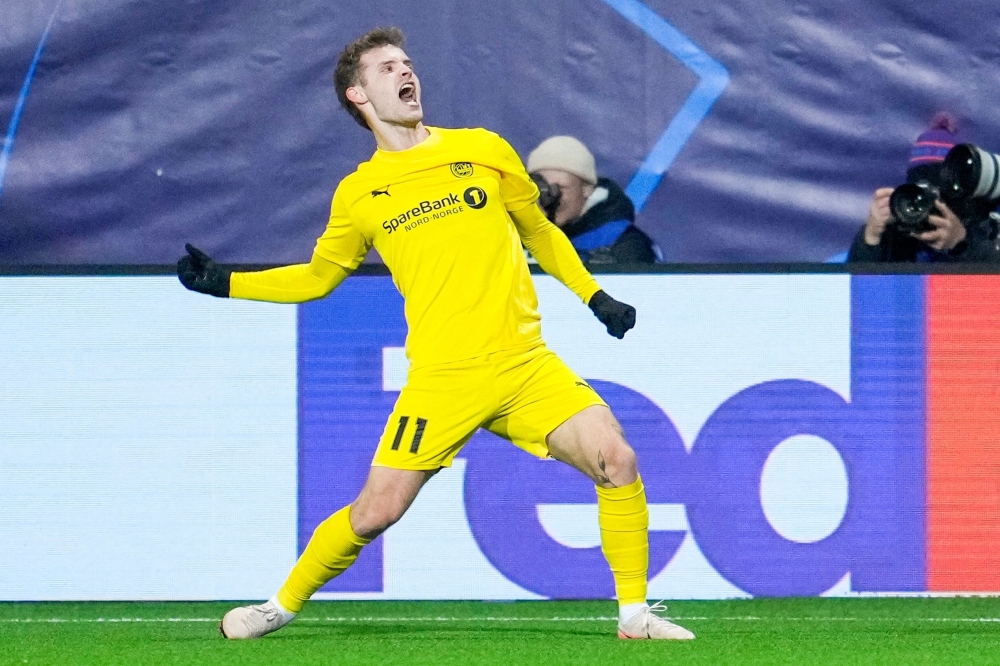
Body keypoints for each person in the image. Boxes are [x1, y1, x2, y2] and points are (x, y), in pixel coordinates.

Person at [177, 27, 694, 641]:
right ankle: (279, 607)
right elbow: (317, 279)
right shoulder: (360, 193)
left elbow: (540, 231)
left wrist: (595, 296)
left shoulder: (482, 149)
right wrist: (226, 282)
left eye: (408, 63)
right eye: (387, 67)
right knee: (376, 513)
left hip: (525, 364)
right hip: (444, 379)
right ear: (359, 95)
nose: (406, 73)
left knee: (618, 459)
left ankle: (634, 616)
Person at [848, 114, 1000, 262]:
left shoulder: (986, 229)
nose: (932, 202)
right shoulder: (898, 230)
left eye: (941, 194)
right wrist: (871, 239)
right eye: (920, 190)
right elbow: (857, 285)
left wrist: (960, 243)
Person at [526, 136, 659, 263]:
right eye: (542, 188)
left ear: (586, 189)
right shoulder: (513, 236)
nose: (551, 197)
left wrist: (609, 271)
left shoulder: (624, 242)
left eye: (560, 187)